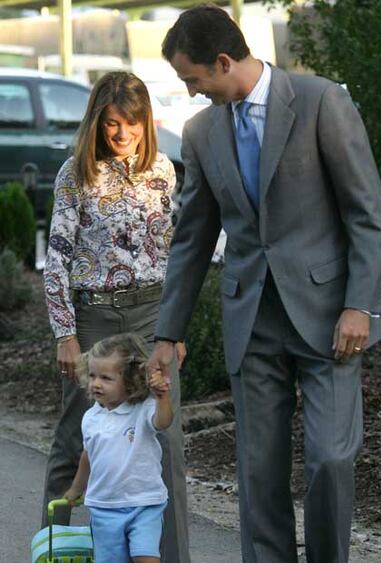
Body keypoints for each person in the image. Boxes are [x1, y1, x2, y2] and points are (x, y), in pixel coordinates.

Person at [147, 6, 381, 563]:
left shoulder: (321, 101)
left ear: (224, 60)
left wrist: (359, 306)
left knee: (330, 458)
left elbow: (368, 215)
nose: (190, 93)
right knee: (258, 471)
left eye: (193, 79)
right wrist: (167, 333)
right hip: (250, 320)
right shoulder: (201, 131)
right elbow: (192, 239)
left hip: (329, 318)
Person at [42, 71, 190, 563]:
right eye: (111, 125)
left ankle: (167, 556)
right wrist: (66, 334)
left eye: (132, 123)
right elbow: (57, 256)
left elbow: (175, 256)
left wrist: (176, 328)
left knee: (161, 435)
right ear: (97, 124)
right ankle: (54, 550)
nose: (123, 134)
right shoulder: (75, 174)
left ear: (147, 122)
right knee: (75, 434)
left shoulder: (163, 171)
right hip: (93, 320)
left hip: (152, 314)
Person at [64, 332, 172, 563]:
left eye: (106, 378)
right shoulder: (91, 417)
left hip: (144, 502)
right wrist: (76, 489)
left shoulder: (142, 409)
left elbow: (163, 422)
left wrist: (162, 397)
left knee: (147, 557)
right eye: (92, 376)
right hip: (104, 506)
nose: (96, 384)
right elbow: (88, 455)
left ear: (131, 379)